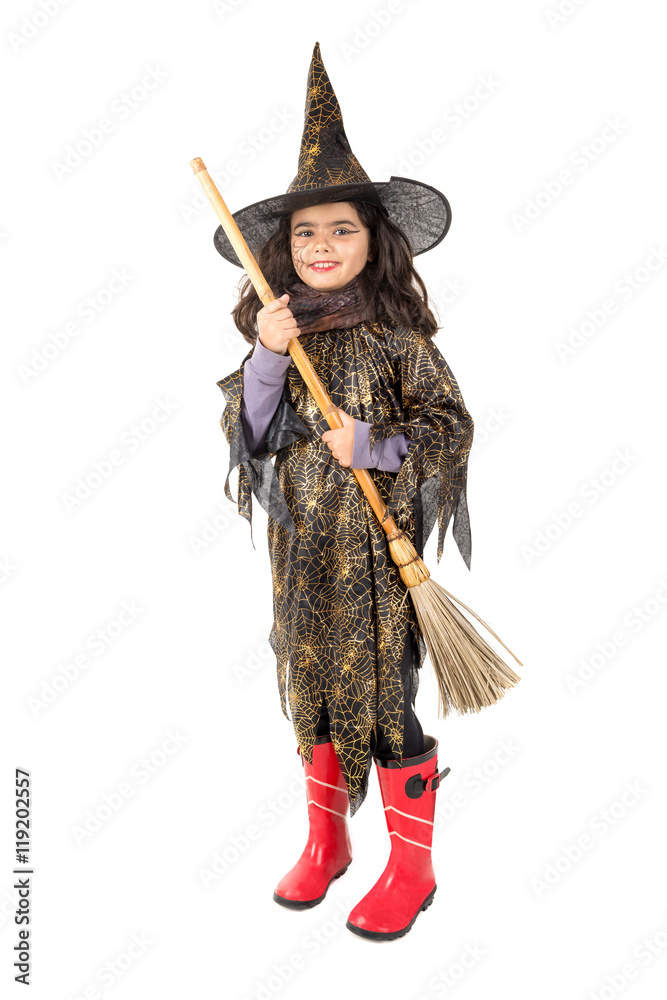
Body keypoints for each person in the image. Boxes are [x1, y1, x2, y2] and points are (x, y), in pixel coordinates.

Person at [213, 43, 474, 941]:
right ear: (281, 251)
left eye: (342, 231)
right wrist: (266, 355)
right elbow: (248, 435)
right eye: (304, 234)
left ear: (375, 242)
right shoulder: (280, 337)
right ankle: (327, 841)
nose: (321, 247)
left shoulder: (399, 339)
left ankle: (412, 866)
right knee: (309, 690)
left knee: (385, 701)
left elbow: (450, 428)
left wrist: (375, 444)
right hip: (302, 564)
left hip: (378, 569)